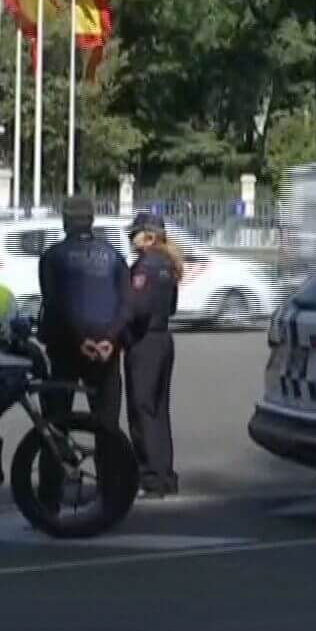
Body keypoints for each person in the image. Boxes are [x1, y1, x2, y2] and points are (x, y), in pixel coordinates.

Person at [35, 197, 131, 510]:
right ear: (91, 221)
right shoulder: (114, 257)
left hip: (65, 349)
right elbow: (125, 305)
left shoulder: (53, 258)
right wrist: (109, 340)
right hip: (106, 351)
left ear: (65, 221)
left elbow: (56, 304)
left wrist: (80, 341)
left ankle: (49, 497)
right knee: (107, 426)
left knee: (56, 423)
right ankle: (111, 493)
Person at [123, 212, 182, 498]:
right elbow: (170, 308)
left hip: (144, 342)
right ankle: (165, 475)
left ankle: (151, 478)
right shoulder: (169, 265)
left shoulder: (145, 266)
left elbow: (136, 308)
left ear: (148, 235)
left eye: (135, 232)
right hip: (163, 339)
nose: (130, 237)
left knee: (142, 411)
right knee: (159, 411)